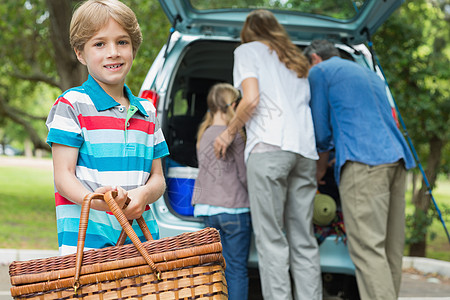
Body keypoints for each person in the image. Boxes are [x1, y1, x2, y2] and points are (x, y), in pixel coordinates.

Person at [45, 0, 169, 255]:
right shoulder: (72, 105)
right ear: (80, 53)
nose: (113, 52)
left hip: (141, 245)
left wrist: (144, 194)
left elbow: (157, 178)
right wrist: (103, 203)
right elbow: (63, 176)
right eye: (99, 44)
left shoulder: (148, 110)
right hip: (87, 247)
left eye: (122, 42)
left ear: (133, 48)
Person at [214, 10, 322, 300]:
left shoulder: (247, 51)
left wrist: (229, 132)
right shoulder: (296, 61)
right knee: (303, 239)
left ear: (248, 32)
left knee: (272, 239)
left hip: (269, 149)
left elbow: (251, 98)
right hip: (304, 152)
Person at [304, 39, 415, 300]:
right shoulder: (367, 72)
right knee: (390, 251)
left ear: (315, 59)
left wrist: (319, 170)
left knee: (367, 249)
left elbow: (320, 131)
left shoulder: (320, 72)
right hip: (397, 160)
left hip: (364, 163)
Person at [192, 83, 251, 300]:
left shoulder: (203, 134)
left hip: (208, 210)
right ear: (234, 105)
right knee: (236, 269)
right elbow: (244, 175)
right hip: (234, 209)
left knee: (217, 268)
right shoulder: (233, 135)